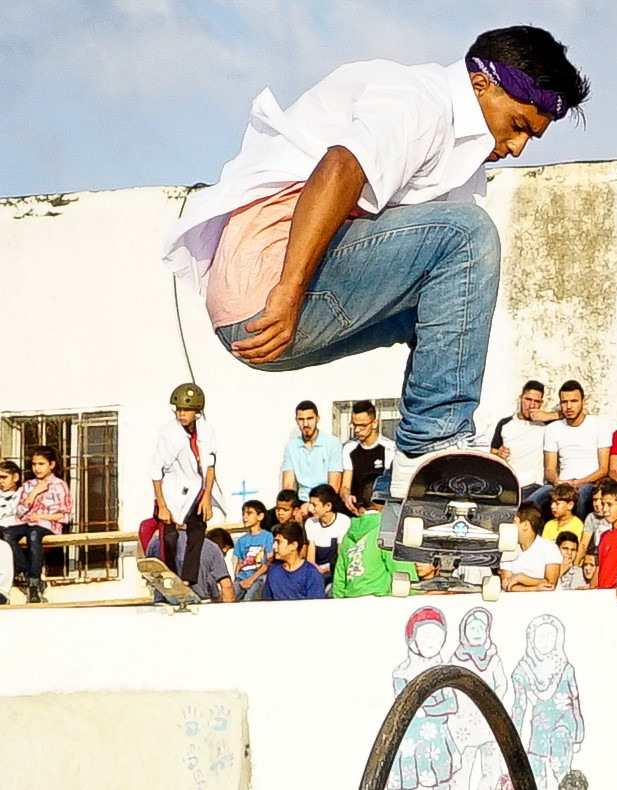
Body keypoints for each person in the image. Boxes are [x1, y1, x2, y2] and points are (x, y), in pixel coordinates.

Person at [162, 27, 590, 501]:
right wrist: (286, 290)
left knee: (455, 300)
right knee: (469, 235)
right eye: (518, 125)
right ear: (481, 83)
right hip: (267, 285)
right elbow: (340, 168)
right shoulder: (420, 100)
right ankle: (430, 446)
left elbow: (452, 309)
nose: (516, 147)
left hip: (279, 309)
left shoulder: (462, 163)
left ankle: (409, 479)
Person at [152, 383, 220, 591]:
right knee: (170, 537)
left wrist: (207, 496)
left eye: (186, 410)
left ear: (196, 411)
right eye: (178, 410)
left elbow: (210, 464)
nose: (181, 414)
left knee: (198, 530)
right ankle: (171, 575)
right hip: (172, 491)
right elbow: (155, 472)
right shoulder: (168, 434)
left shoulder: (206, 430)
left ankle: (188, 579)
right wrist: (162, 505)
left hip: (196, 490)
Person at [9, 447, 70, 603]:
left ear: (51, 464)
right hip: (27, 522)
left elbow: (65, 515)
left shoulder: (59, 485)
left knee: (34, 534)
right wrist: (34, 493)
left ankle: (34, 584)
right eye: (34, 464)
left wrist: (42, 516)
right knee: (8, 535)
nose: (37, 468)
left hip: (47, 525)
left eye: (41, 464)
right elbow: (20, 511)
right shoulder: (28, 485)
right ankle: (30, 572)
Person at [489, 381, 557, 503]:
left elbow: (582, 413)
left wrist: (548, 416)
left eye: (536, 401)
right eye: (528, 399)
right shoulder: (505, 423)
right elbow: (492, 451)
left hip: (535, 486)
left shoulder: (547, 424)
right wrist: (498, 453)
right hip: (509, 486)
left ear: (541, 404)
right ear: (520, 399)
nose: (531, 405)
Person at [544, 380, 613, 496]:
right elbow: (549, 469)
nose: (569, 406)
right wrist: (558, 482)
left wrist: (579, 483)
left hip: (590, 483)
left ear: (583, 401)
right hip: (562, 484)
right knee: (535, 499)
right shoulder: (553, 428)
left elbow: (603, 469)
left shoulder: (600, 425)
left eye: (574, 401)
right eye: (564, 402)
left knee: (583, 493)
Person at [145, 521, 236, 603]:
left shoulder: (156, 541)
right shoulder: (212, 547)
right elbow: (226, 586)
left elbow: (148, 571)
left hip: (163, 606)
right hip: (198, 607)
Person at [334, 510, 416, 598]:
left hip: (350, 599)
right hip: (380, 600)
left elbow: (340, 574)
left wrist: (338, 600)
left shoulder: (348, 536)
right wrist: (415, 592)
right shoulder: (386, 531)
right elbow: (400, 566)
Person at [281, 400, 343, 501]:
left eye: (309, 418)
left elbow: (334, 486)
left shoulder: (332, 443)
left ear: (317, 419)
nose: (305, 424)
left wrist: (312, 505)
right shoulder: (291, 447)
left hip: (325, 500)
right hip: (301, 501)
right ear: (296, 420)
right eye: (301, 419)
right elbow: (288, 485)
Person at [341, 400, 388, 513]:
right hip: (356, 510)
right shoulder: (349, 448)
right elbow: (345, 486)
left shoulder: (389, 448)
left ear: (374, 423)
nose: (357, 430)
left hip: (381, 509)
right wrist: (346, 497)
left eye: (362, 425)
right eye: (354, 425)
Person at [262, 522, 327, 601]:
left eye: (279, 542)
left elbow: (316, 607)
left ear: (293, 545)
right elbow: (267, 602)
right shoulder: (273, 570)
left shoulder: (311, 573)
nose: (274, 546)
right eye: (274, 542)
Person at [303, 484, 350, 584]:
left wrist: (326, 569)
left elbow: (340, 554)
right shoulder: (310, 523)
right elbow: (311, 556)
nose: (310, 509)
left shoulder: (344, 521)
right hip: (317, 571)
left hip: (335, 570)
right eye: (310, 504)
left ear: (328, 506)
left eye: (314, 505)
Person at [233, 500, 276, 601]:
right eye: (243, 514)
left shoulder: (267, 536)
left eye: (249, 513)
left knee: (249, 599)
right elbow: (239, 564)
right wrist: (237, 579)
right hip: (242, 578)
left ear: (260, 516)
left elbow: (268, 562)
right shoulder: (241, 540)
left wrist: (251, 579)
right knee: (228, 597)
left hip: (259, 577)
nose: (245, 517)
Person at [0, 462, 19, 602]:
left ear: (15, 477)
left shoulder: (22, 494)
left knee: (5, 549)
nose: (0, 481)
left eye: (4, 477)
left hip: (11, 528)